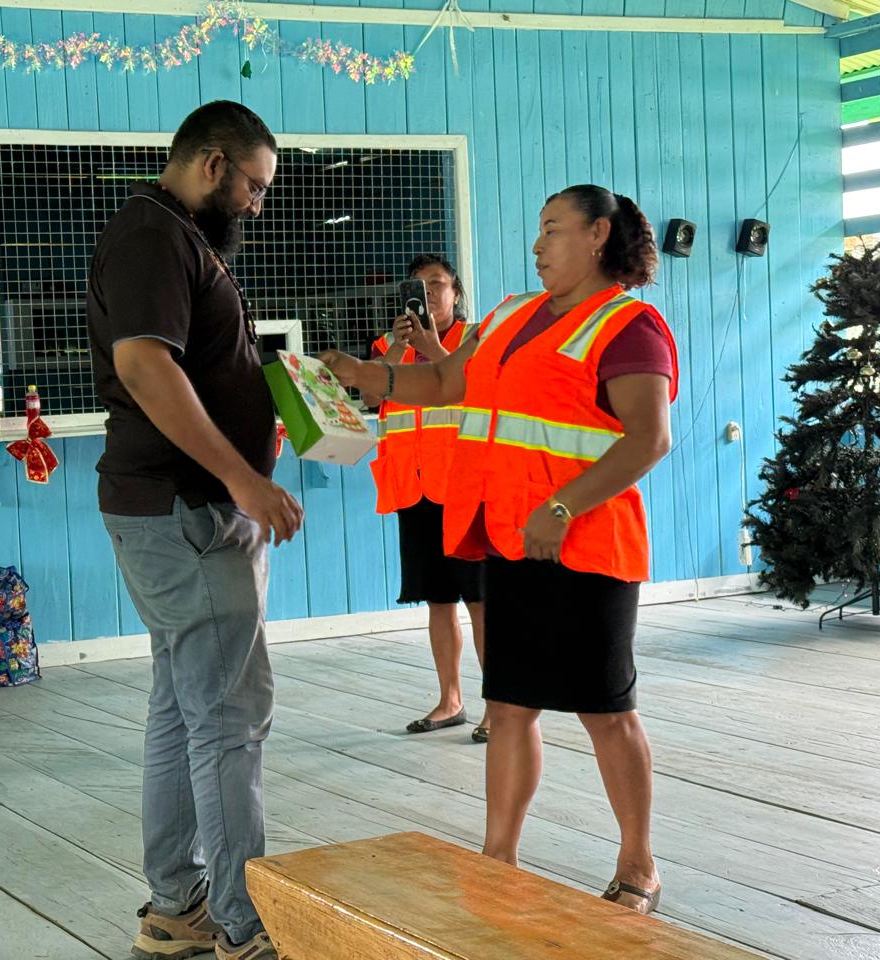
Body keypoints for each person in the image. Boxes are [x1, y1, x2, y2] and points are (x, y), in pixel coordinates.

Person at [322, 185, 677, 916]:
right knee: (509, 707)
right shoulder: (512, 314)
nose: (538, 245)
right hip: (509, 541)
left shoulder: (628, 326)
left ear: (599, 235)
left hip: (586, 548)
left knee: (606, 713)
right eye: (538, 230)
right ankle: (498, 858)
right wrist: (366, 375)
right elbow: (446, 380)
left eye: (553, 229)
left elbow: (649, 439)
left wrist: (562, 506)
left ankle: (638, 863)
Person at [86, 100, 302, 960]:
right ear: (213, 163)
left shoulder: (178, 237)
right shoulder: (154, 236)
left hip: (171, 512)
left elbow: (200, 367)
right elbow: (146, 365)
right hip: (187, 513)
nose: (257, 203)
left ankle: (179, 906)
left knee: (184, 712)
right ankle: (244, 928)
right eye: (254, 184)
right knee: (228, 719)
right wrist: (243, 479)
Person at [365, 255, 489, 742]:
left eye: (438, 283)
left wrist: (432, 346)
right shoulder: (385, 346)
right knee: (438, 600)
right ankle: (450, 700)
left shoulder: (474, 339)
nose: (429, 292)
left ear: (456, 292)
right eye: (418, 286)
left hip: (465, 489)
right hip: (413, 489)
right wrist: (400, 347)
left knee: (480, 601)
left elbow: (475, 389)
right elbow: (371, 396)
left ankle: (498, 707)